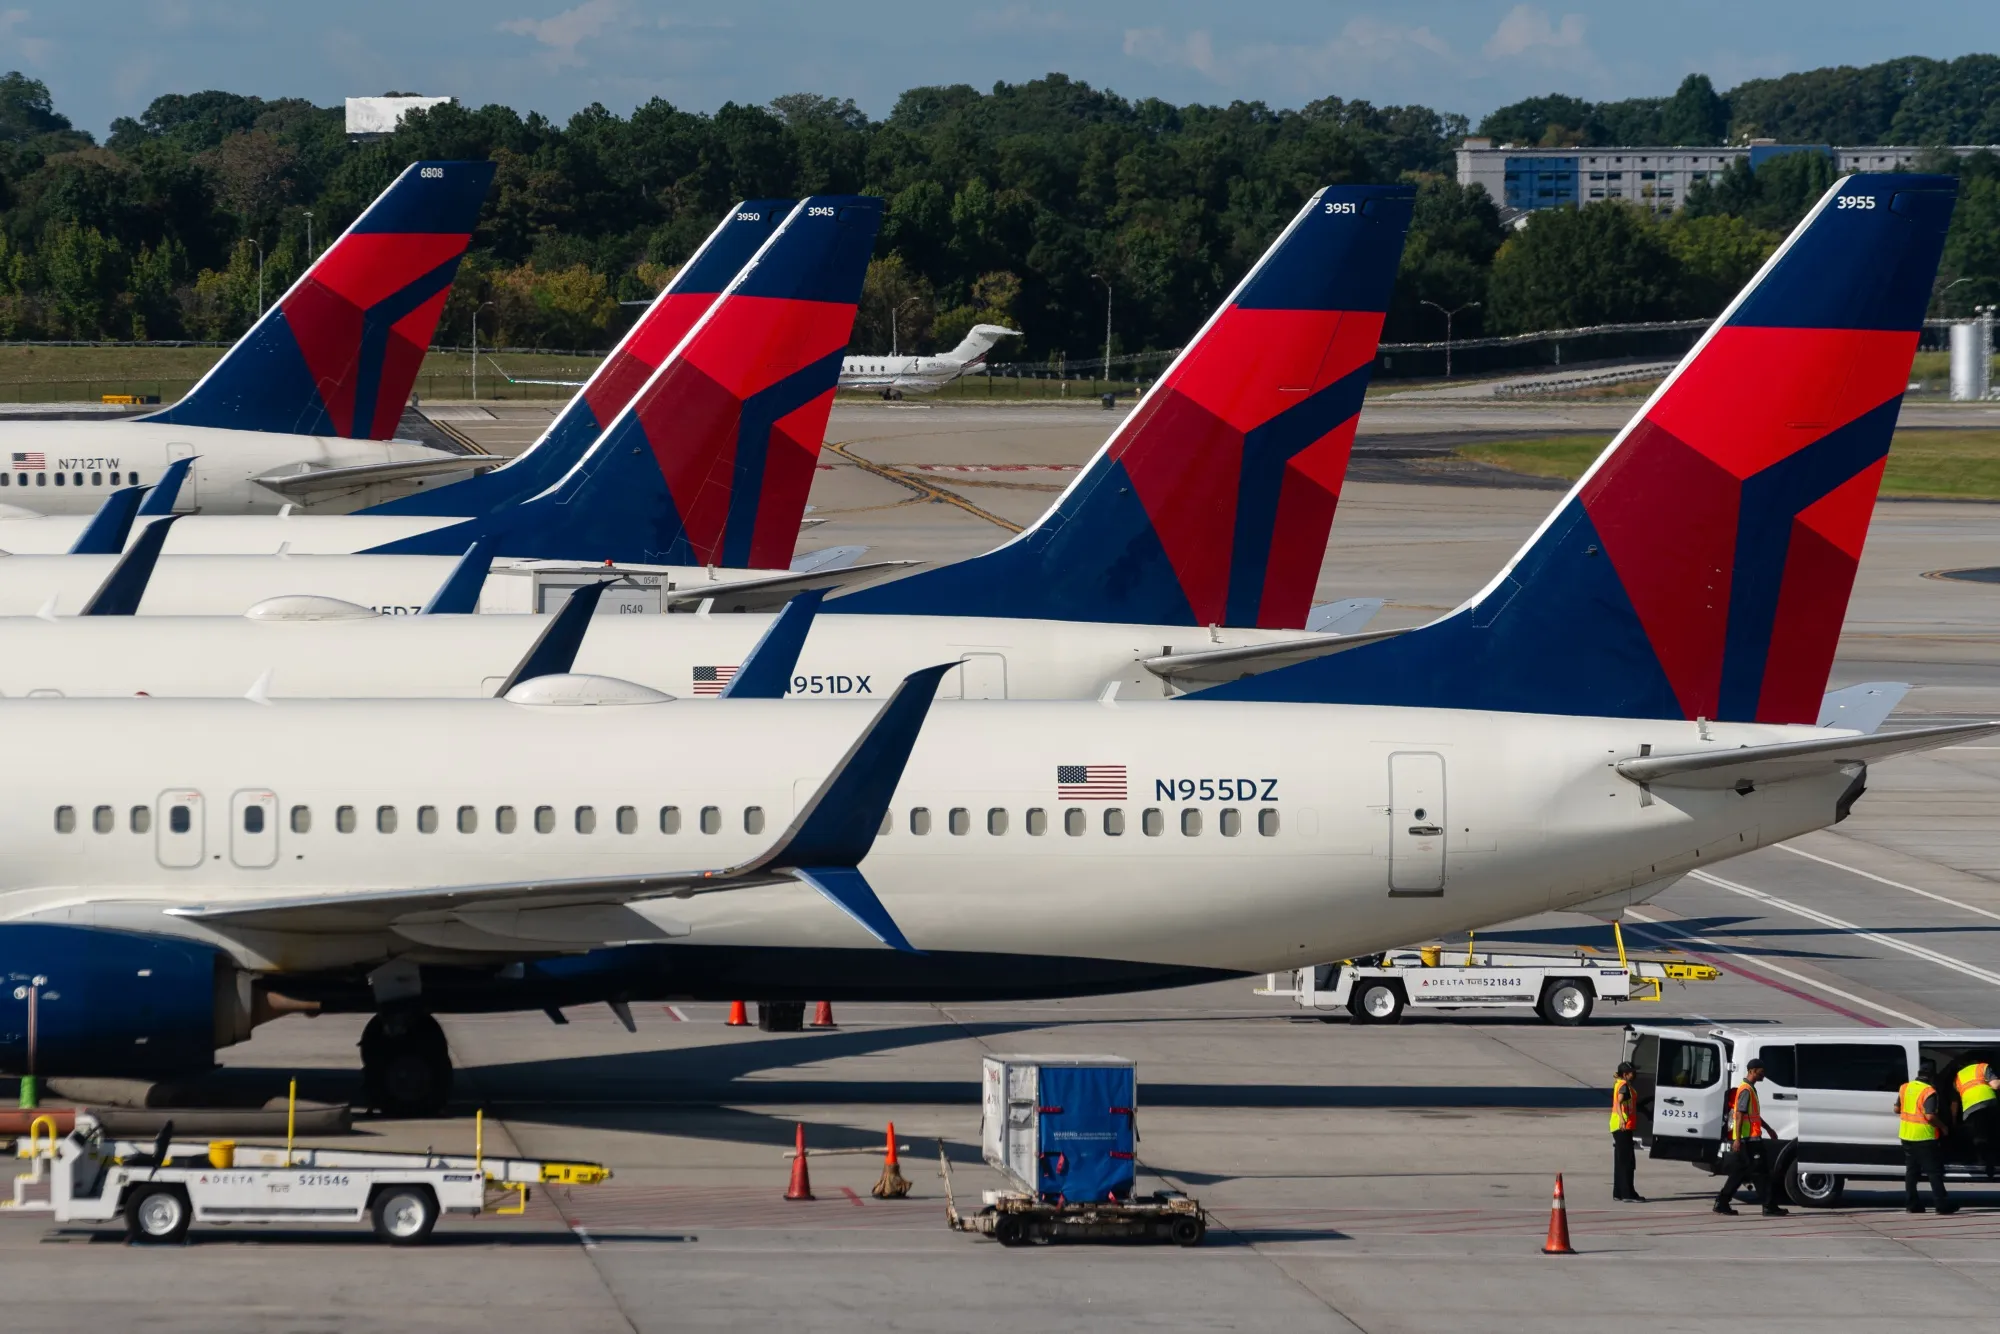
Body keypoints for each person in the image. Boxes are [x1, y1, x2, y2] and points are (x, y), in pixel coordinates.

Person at [1714, 1056, 1789, 1216]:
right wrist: (1738, 1139)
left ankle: (1722, 1201)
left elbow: (1753, 1115)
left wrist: (1768, 1128)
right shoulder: (1746, 1090)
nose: (1763, 1075)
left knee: (1741, 1172)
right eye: (1761, 1072)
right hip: (1748, 1141)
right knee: (1760, 1173)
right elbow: (1740, 1115)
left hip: (1750, 1139)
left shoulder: (1750, 1089)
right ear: (1752, 1071)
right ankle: (1768, 1206)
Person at [1900, 1060, 1958, 1214]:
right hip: (1924, 1137)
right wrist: (1943, 1127)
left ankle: (1912, 1205)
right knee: (1934, 1172)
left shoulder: (1905, 1087)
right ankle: (1942, 1205)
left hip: (1906, 1136)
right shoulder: (1929, 1092)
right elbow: (1930, 1116)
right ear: (1931, 1077)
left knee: (1912, 1172)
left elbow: (1896, 1108)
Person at [1953, 1057, 1999, 1179]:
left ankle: (1981, 1161)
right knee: (1992, 1135)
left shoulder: (1958, 1076)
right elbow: (1995, 1085)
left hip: (1970, 1108)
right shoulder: (1982, 1067)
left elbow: (1956, 1096)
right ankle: (1991, 1163)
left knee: (1978, 1136)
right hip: (1987, 1103)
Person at [1610, 1060, 1646, 1202]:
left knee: (1620, 1160)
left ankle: (1618, 1192)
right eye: (1632, 1073)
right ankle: (1627, 1193)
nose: (1634, 1074)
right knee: (1627, 1161)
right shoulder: (1624, 1086)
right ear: (1625, 1074)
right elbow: (1619, 1103)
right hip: (1622, 1127)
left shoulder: (1621, 1083)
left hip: (1619, 1127)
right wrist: (1622, 1119)